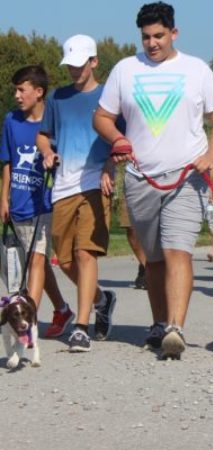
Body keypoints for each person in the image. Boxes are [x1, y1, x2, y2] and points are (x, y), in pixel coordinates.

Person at [93, 2, 213, 359]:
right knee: (153, 258)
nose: (152, 43)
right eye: (146, 37)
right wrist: (117, 139)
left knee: (177, 250)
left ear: (174, 33)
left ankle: (175, 328)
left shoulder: (196, 70)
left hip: (187, 176)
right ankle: (158, 323)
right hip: (141, 178)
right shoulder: (126, 69)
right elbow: (103, 117)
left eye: (158, 35)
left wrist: (212, 155)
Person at [37, 35, 116, 352]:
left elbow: (119, 139)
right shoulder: (57, 97)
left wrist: (111, 165)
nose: (74, 70)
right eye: (70, 65)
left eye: (80, 64)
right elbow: (44, 136)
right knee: (65, 259)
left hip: (95, 183)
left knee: (86, 253)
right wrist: (46, 152)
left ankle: (81, 327)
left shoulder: (109, 98)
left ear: (94, 62)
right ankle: (101, 298)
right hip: (64, 185)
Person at [0, 65, 73, 338]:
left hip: (44, 204)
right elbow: (7, 161)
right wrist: (3, 198)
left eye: (22, 89)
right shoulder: (11, 121)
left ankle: (28, 322)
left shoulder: (53, 126)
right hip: (17, 203)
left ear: (39, 92)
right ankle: (63, 309)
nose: (17, 95)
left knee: (37, 261)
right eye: (15, 90)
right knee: (34, 263)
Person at [119, 196, 147, 289]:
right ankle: (146, 266)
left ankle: (150, 270)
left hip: (162, 184)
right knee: (130, 225)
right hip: (131, 184)